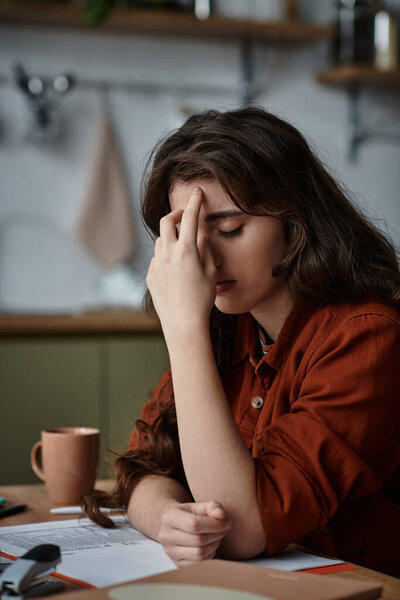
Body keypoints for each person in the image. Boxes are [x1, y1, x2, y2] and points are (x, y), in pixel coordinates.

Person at [84, 107, 400, 577]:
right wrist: (169, 517)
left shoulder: (368, 337)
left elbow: (246, 529)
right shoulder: (231, 324)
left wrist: (183, 326)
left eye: (229, 230)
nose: (202, 256)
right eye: (186, 234)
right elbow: (143, 468)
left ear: (297, 222)